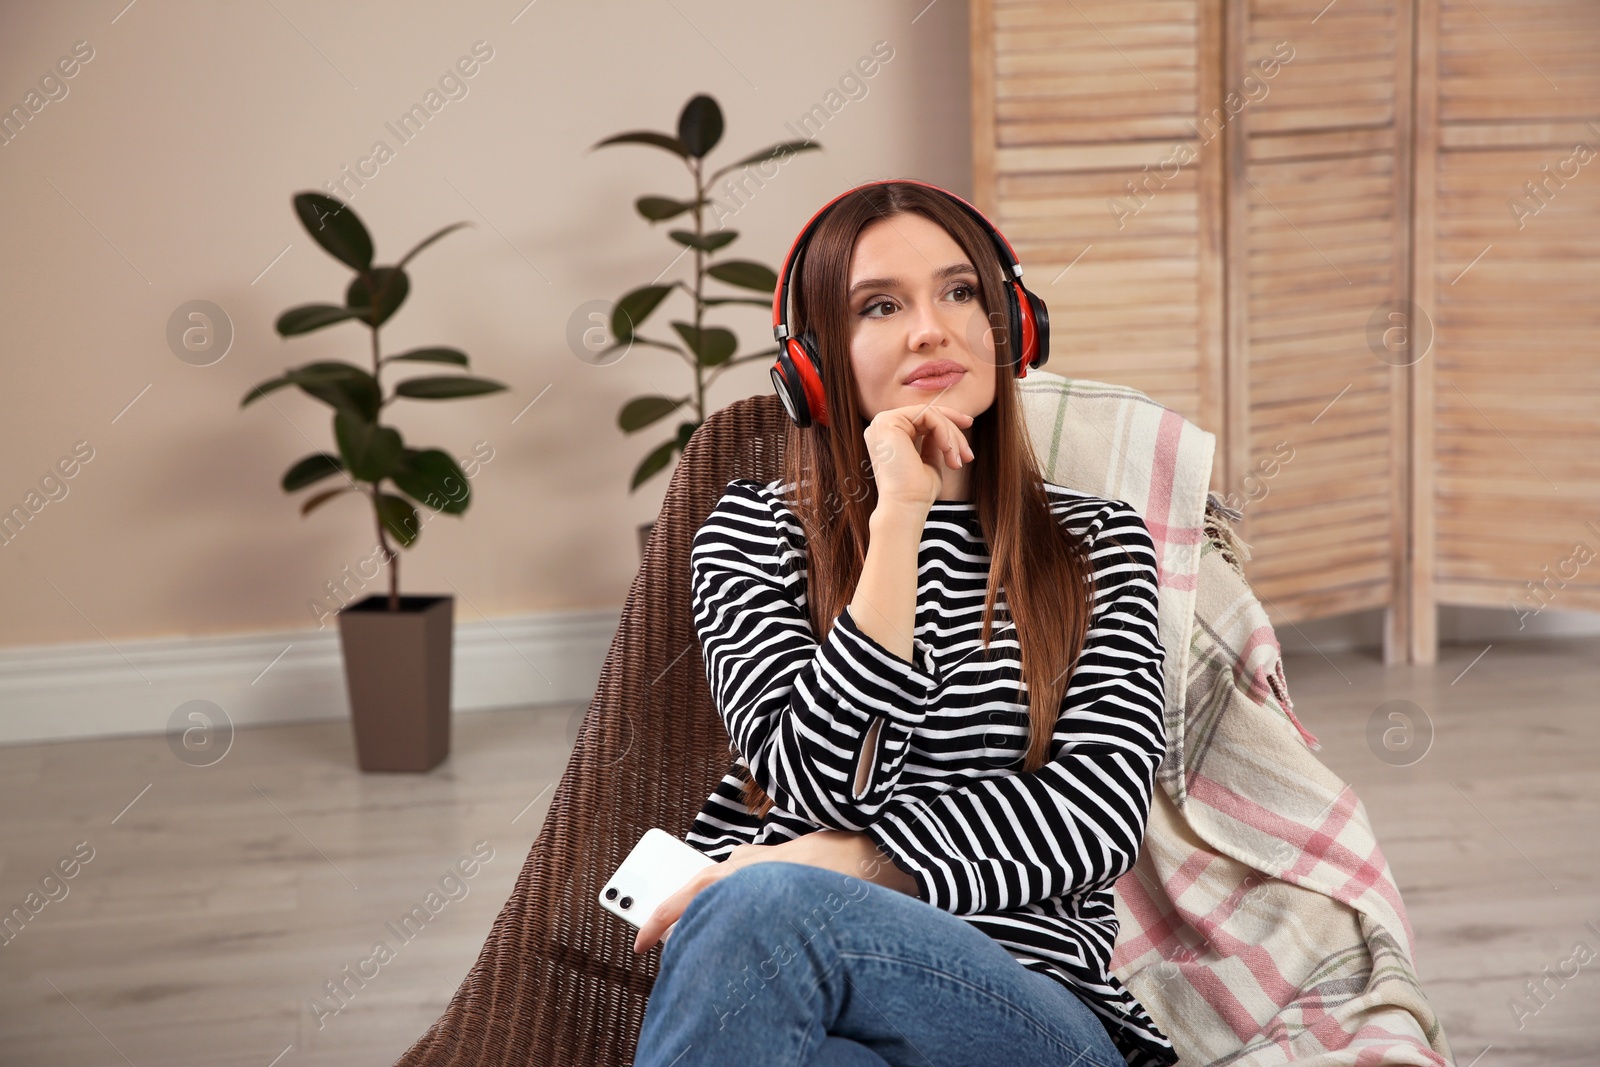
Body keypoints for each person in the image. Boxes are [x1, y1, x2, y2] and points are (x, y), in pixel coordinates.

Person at [630, 180, 1177, 1067]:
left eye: (962, 292)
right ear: (812, 364)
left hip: (1031, 1008)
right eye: (880, 306)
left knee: (761, 905)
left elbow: (1097, 812)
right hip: (795, 1006)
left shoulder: (1096, 541)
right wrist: (897, 527)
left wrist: (826, 866)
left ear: (1013, 328)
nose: (933, 327)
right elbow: (817, 780)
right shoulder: (748, 532)